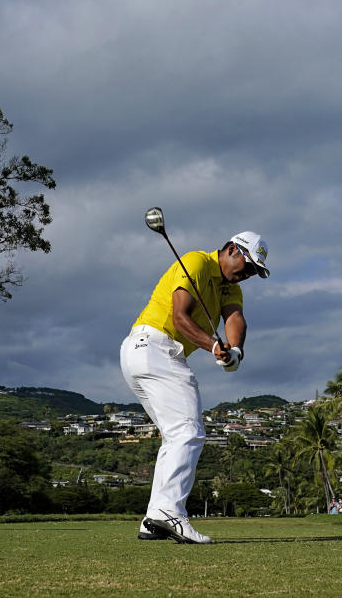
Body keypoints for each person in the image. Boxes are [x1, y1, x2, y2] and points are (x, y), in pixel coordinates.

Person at [121, 231, 269, 544]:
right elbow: (180, 316)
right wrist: (214, 346)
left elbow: (235, 317)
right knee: (189, 432)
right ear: (232, 249)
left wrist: (235, 350)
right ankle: (170, 512)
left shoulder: (230, 287)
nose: (249, 274)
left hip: (145, 353)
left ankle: (153, 519)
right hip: (155, 346)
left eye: (255, 271)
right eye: (248, 265)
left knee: (176, 436)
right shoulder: (196, 262)